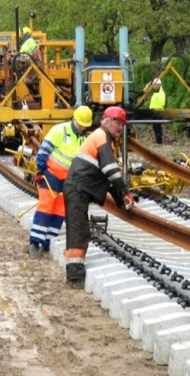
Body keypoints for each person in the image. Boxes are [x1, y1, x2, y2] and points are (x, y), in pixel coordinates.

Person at [63, 106, 135, 285]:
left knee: (79, 229)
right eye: (118, 123)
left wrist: (120, 198)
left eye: (123, 124)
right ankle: (74, 277)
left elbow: (105, 177)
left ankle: (75, 274)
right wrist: (125, 191)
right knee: (78, 232)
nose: (120, 128)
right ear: (107, 122)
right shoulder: (102, 137)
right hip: (77, 189)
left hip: (79, 189)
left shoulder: (102, 138)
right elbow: (110, 171)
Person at [29, 106, 93, 257]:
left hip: (69, 181)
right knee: (45, 207)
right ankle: (35, 242)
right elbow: (44, 151)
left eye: (85, 125)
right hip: (52, 175)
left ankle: (48, 242)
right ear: (74, 120)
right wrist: (39, 170)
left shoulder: (83, 139)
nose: (82, 127)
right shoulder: (59, 130)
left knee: (60, 211)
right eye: (81, 124)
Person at [148, 78, 166, 144]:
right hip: (154, 112)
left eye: (155, 85)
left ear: (158, 85)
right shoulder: (156, 93)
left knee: (157, 126)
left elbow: (162, 103)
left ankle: (159, 140)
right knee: (155, 126)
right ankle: (157, 140)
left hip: (158, 111)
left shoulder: (161, 93)